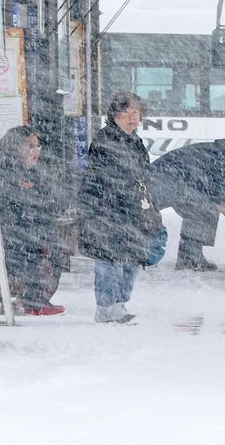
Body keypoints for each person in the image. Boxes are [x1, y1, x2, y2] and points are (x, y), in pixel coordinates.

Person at [78, 91, 153, 323]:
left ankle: (118, 303)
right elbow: (104, 178)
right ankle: (107, 307)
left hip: (131, 211)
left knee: (130, 259)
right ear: (114, 115)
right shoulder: (106, 140)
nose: (132, 118)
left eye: (136, 113)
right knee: (109, 259)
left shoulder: (136, 141)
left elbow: (143, 175)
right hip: (107, 210)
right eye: (126, 113)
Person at [0, 125, 66, 316]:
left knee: (53, 253)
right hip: (17, 225)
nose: (35, 151)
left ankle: (36, 298)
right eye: (30, 146)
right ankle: (34, 300)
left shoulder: (31, 165)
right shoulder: (2, 162)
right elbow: (12, 195)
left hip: (32, 222)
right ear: (16, 146)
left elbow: (47, 191)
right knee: (34, 255)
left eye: (37, 146)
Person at [149, 138, 225, 271]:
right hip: (161, 185)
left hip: (166, 182)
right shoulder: (224, 159)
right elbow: (197, 193)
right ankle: (189, 258)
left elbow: (217, 189)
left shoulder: (219, 155)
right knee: (203, 209)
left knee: (204, 209)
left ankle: (190, 256)